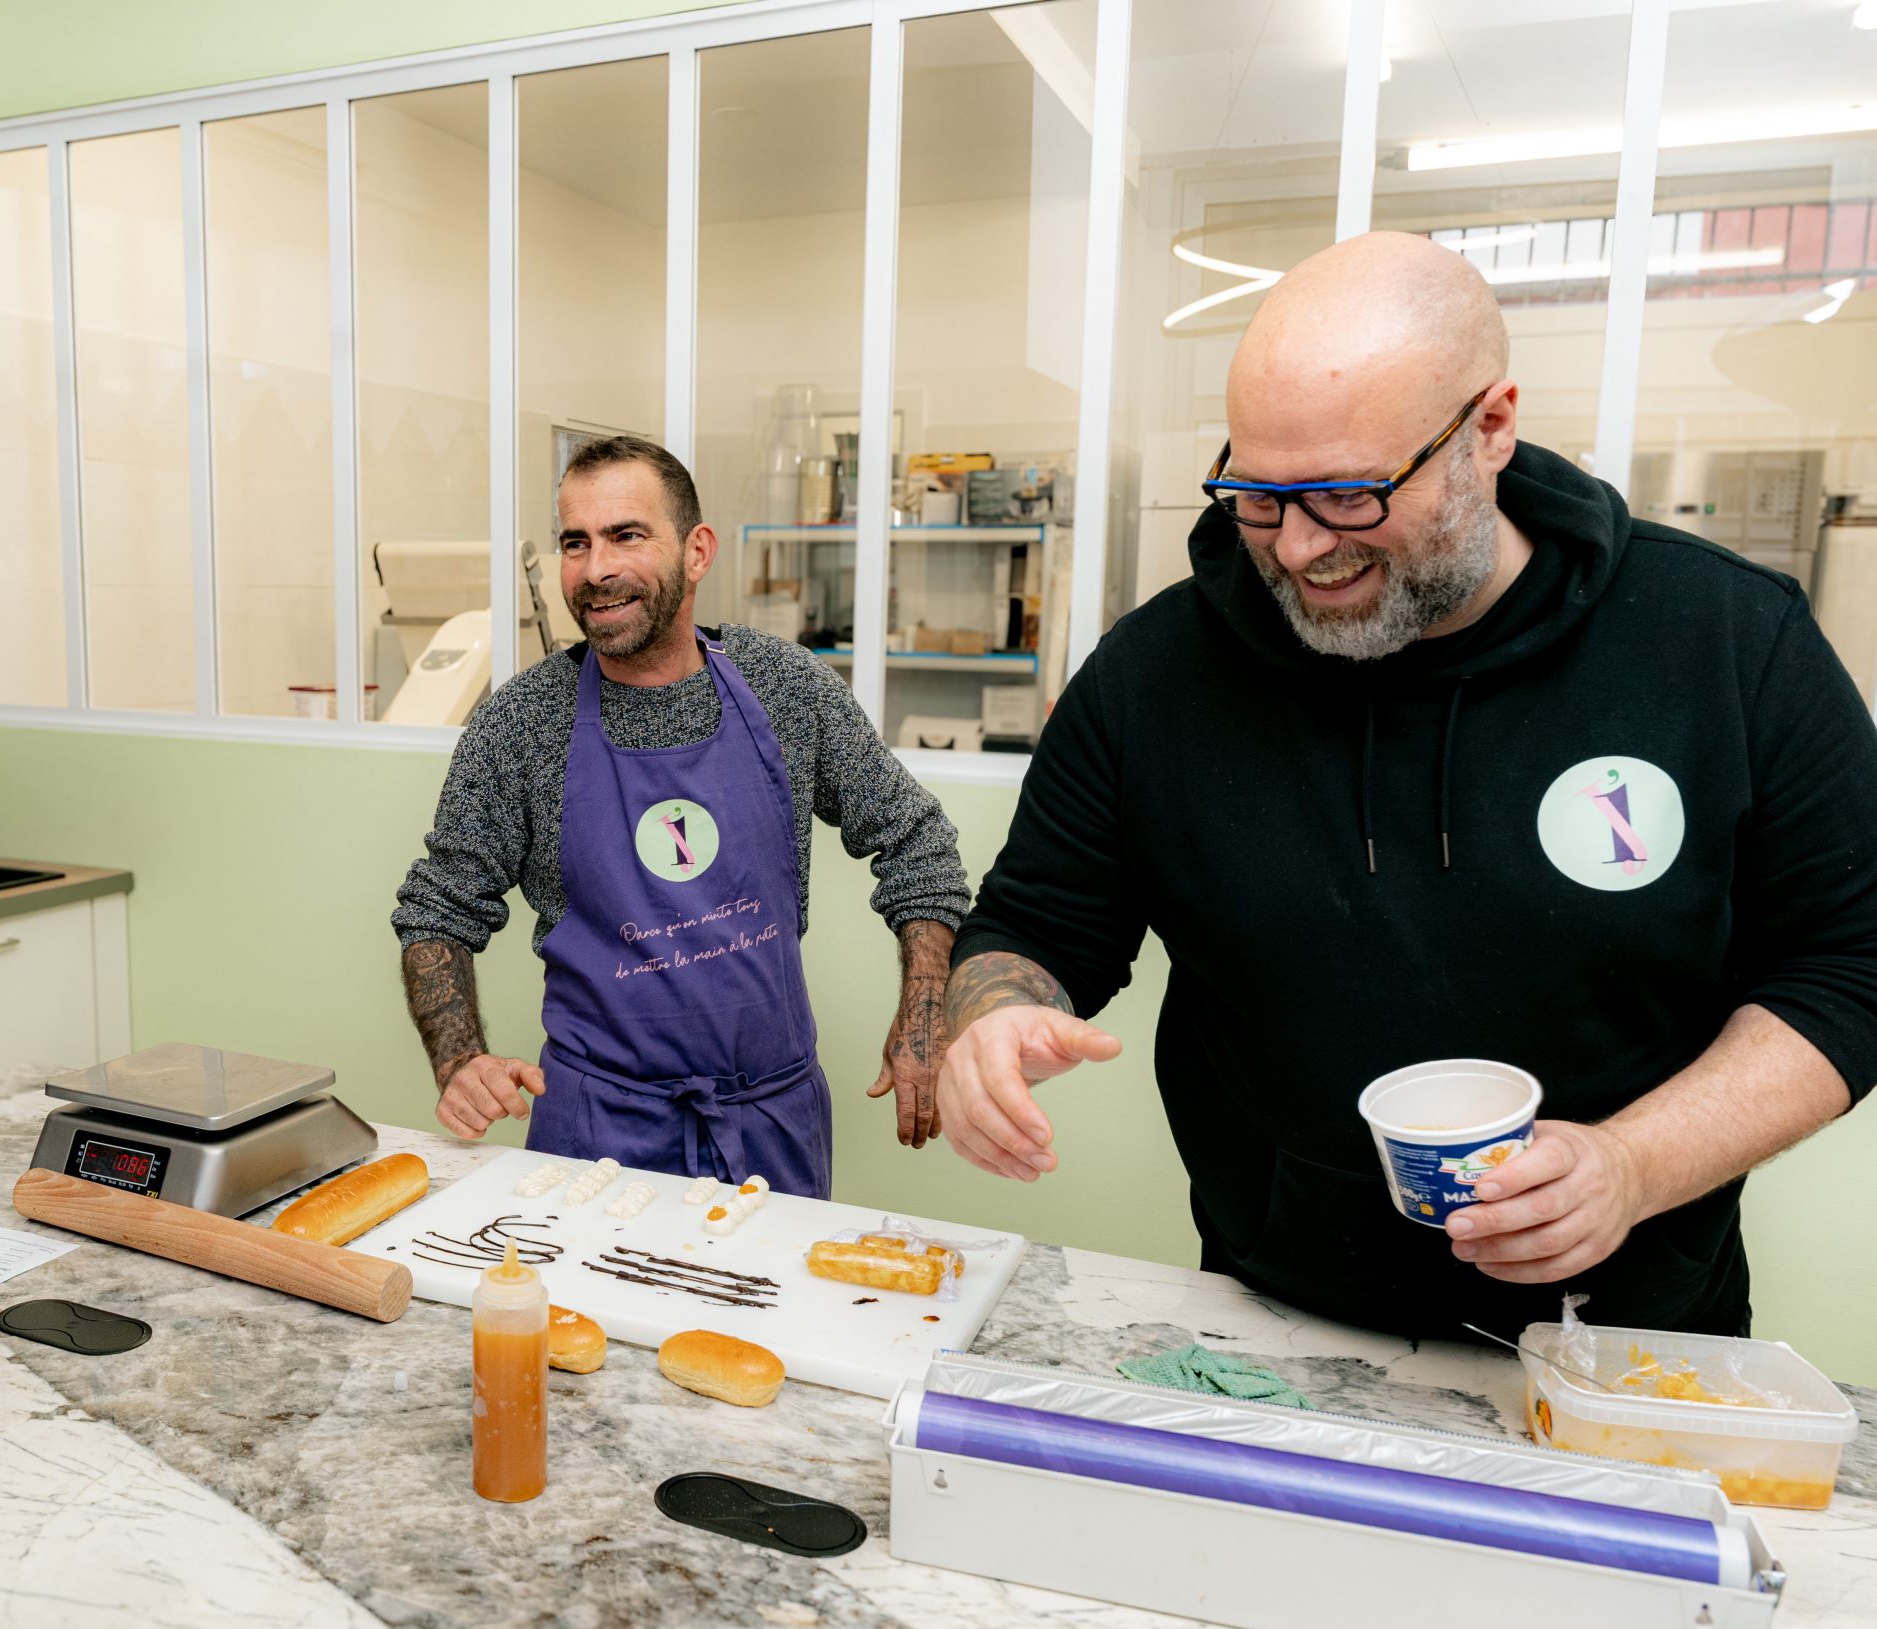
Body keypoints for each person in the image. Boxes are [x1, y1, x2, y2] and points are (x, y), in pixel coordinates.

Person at [935, 232, 1877, 1341]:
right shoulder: (1156, 674)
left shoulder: (1725, 640)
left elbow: (1849, 964)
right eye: (1256, 496)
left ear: (1490, 428)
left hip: (1631, 1336)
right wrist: (992, 1019)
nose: (1297, 549)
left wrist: (1631, 1164)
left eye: (1345, 494)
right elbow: (1036, 926)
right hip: (1274, 1317)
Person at [392, 436, 972, 1195]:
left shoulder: (787, 688)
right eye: (576, 542)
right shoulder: (522, 723)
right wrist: (459, 1058)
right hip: (595, 1130)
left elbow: (919, 845)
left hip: (771, 1125)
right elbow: (437, 910)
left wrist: (925, 1013)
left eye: (626, 535)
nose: (596, 569)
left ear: (697, 552)